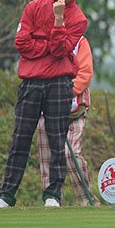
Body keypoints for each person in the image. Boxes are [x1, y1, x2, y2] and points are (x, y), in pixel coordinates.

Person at [0, 0, 88, 208]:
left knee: (56, 140)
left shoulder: (78, 19)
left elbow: (60, 50)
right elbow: (21, 43)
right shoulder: (33, 7)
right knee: (20, 138)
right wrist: (47, 47)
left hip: (59, 83)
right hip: (31, 82)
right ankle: (6, 194)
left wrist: (58, 20)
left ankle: (53, 194)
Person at [35, 35, 97, 206]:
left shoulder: (80, 42)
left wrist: (61, 92)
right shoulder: (42, 40)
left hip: (75, 109)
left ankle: (86, 201)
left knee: (71, 154)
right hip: (46, 109)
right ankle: (52, 199)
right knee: (47, 157)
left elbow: (85, 74)